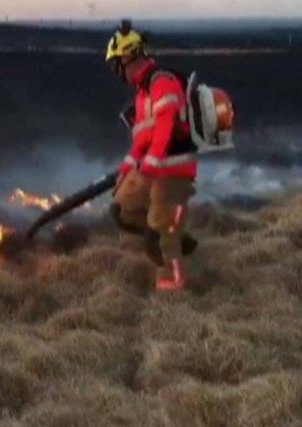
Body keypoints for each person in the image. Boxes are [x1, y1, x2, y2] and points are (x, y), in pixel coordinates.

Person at [105, 20, 199, 292]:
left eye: (117, 66)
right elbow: (142, 140)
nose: (117, 73)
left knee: (158, 235)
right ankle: (175, 234)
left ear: (128, 57)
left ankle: (174, 288)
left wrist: (152, 161)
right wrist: (126, 169)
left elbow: (166, 124)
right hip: (154, 168)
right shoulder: (142, 93)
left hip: (173, 169)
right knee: (121, 209)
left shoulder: (162, 82)